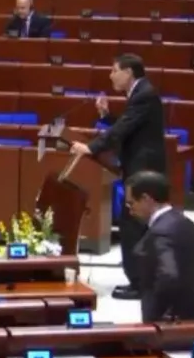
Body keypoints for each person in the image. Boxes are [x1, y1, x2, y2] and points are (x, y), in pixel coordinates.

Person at [70, 54, 167, 300]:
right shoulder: (141, 93)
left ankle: (139, 284)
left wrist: (90, 148)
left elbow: (123, 129)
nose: (110, 75)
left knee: (133, 224)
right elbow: (129, 125)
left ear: (129, 72)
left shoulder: (144, 94)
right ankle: (141, 280)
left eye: (114, 70)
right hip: (141, 168)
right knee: (135, 224)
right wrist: (105, 116)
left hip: (143, 170)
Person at [123, 171, 194, 322]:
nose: (130, 210)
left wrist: (156, 315)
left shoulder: (160, 233)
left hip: (168, 326)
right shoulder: (188, 225)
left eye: (131, 203)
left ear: (146, 199)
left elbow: (169, 276)